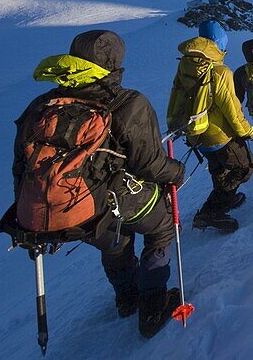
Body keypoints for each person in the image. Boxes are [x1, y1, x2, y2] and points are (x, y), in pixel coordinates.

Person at [10, 30, 186, 338]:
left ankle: (126, 297)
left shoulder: (42, 105)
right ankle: (152, 303)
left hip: (70, 209)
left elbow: (21, 164)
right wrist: (177, 172)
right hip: (114, 199)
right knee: (160, 230)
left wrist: (30, 211)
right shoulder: (129, 103)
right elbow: (149, 164)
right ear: (115, 62)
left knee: (113, 241)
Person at [168, 20, 253, 234]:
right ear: (219, 44)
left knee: (220, 171)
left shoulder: (186, 65)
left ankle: (222, 199)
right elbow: (233, 113)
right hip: (221, 138)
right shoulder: (220, 71)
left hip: (197, 136)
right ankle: (213, 211)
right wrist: (251, 132)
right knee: (244, 168)